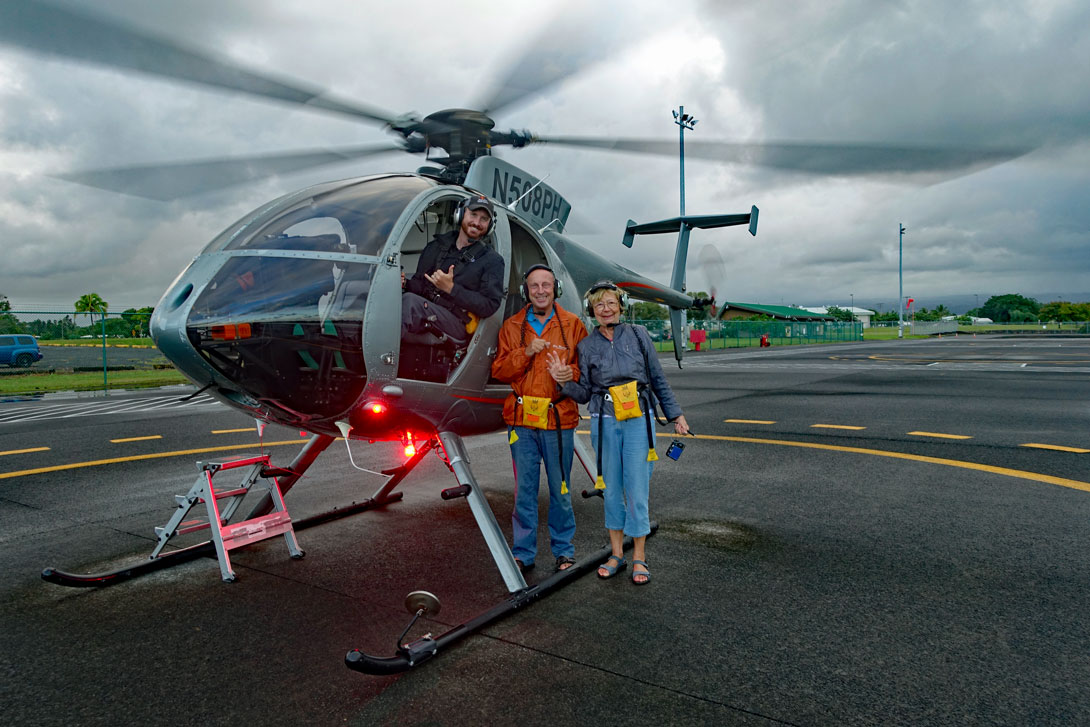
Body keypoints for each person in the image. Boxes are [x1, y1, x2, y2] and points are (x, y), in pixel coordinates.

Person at [550, 280, 689, 585]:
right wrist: (563, 382)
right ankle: (616, 554)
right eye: (599, 304)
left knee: (637, 488)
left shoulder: (639, 336)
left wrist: (675, 413)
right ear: (592, 310)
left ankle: (639, 556)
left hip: (639, 419)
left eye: (611, 303)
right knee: (611, 489)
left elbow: (657, 377)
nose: (606, 309)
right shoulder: (586, 346)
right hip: (604, 421)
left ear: (621, 305)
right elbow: (585, 393)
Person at [491, 265, 588, 573]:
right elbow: (500, 371)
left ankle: (564, 550)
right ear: (526, 290)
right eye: (535, 286)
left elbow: (585, 374)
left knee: (560, 489)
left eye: (546, 284)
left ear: (555, 288)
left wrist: (567, 374)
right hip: (521, 421)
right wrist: (525, 351)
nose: (541, 290)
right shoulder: (512, 326)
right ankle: (523, 552)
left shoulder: (573, 325)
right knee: (524, 490)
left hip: (558, 419)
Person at [402, 195, 504, 342]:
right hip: (428, 308)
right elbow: (420, 284)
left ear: (490, 225)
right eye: (473, 214)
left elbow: (489, 305)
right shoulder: (436, 246)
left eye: (484, 219)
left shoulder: (492, 260)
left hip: (457, 321)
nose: (477, 222)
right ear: (461, 214)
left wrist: (451, 289)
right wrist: (405, 283)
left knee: (410, 303)